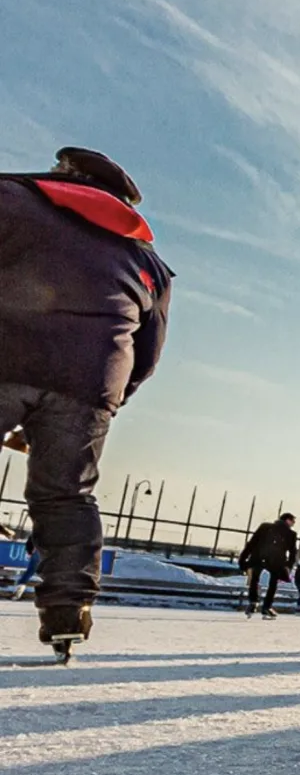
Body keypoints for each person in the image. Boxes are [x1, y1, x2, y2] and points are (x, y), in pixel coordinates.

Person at [0, 148, 171, 659]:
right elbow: (147, 355)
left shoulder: (13, 200)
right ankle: (67, 613)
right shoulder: (149, 265)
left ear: (67, 176)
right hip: (90, 385)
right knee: (67, 494)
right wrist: (102, 406)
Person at [236, 512, 297, 619]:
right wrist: (289, 566)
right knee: (273, 584)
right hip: (277, 561)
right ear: (288, 520)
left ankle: (253, 602)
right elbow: (292, 552)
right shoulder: (291, 534)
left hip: (259, 556)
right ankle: (266, 607)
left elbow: (252, 543)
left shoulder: (265, 527)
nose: (293, 523)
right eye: (293, 521)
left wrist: (243, 557)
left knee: (255, 579)